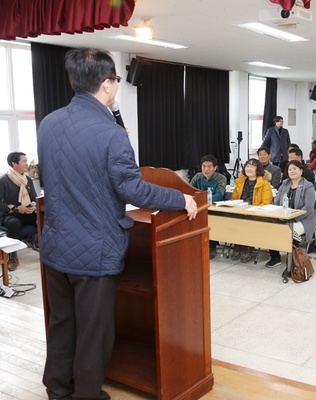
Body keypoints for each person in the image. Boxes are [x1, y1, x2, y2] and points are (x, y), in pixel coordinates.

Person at [36, 48, 198, 400]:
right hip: (94, 252)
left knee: (62, 323)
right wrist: (182, 199)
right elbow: (133, 189)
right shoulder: (110, 133)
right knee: (95, 331)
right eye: (117, 81)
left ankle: (58, 390)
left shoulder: (48, 123)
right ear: (107, 84)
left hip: (55, 246)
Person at [267, 160, 316, 267]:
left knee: (290, 232)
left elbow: (308, 207)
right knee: (271, 229)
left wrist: (293, 217)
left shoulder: (308, 186)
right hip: (284, 217)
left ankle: (293, 263)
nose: (292, 171)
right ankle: (275, 257)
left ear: (301, 171)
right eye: (290, 169)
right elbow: (277, 202)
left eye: (295, 169)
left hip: (302, 220)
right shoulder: (285, 183)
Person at [230, 158, 274, 263]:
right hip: (240, 211)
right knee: (231, 220)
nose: (249, 168)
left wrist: (251, 209)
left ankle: (248, 245)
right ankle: (238, 243)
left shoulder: (264, 184)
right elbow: (234, 199)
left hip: (256, 213)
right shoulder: (240, 182)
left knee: (248, 222)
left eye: (252, 166)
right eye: (247, 166)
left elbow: (266, 203)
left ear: (257, 169)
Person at [0, 152, 38, 271]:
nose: (27, 164)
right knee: (14, 223)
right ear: (14, 163)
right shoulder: (3, 180)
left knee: (43, 216)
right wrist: (16, 208)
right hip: (8, 215)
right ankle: (12, 257)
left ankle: (44, 247)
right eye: (24, 161)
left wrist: (33, 206)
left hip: (26, 213)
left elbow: (34, 199)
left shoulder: (27, 180)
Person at [189, 154, 227, 259]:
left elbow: (219, 195)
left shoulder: (221, 178)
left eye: (209, 166)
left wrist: (200, 199)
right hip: (200, 207)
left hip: (215, 209)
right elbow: (190, 190)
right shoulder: (198, 176)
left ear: (215, 168)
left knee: (210, 220)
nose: (206, 169)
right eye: (204, 166)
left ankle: (212, 245)